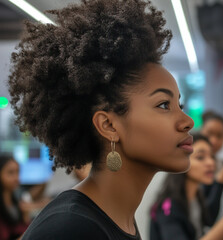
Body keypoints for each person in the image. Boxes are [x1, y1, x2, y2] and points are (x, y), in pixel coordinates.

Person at [8, 0, 194, 239]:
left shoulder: (117, 216)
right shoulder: (71, 229)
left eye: (180, 104)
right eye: (163, 105)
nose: (187, 121)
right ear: (108, 126)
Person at [150, 134, 223, 240]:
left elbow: (210, 219)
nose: (211, 162)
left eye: (212, 156)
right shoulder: (167, 208)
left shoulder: (195, 196)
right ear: (180, 162)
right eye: (200, 157)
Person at [200, 111, 223, 224]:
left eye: (219, 136)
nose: (213, 141)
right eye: (209, 134)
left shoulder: (219, 163)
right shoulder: (189, 166)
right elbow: (208, 217)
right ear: (200, 131)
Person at [0, 155, 29, 240]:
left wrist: (26, 217)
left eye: (18, 172)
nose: (17, 178)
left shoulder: (16, 202)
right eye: (10, 172)